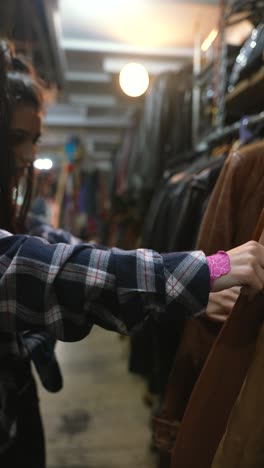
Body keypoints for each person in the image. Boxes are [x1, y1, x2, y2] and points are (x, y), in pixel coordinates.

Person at [1, 40, 264, 466]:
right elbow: (55, 273)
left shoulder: (17, 214)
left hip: (17, 405)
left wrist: (185, 290)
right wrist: (207, 269)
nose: (29, 155)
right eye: (16, 139)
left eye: (34, 139)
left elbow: (66, 249)